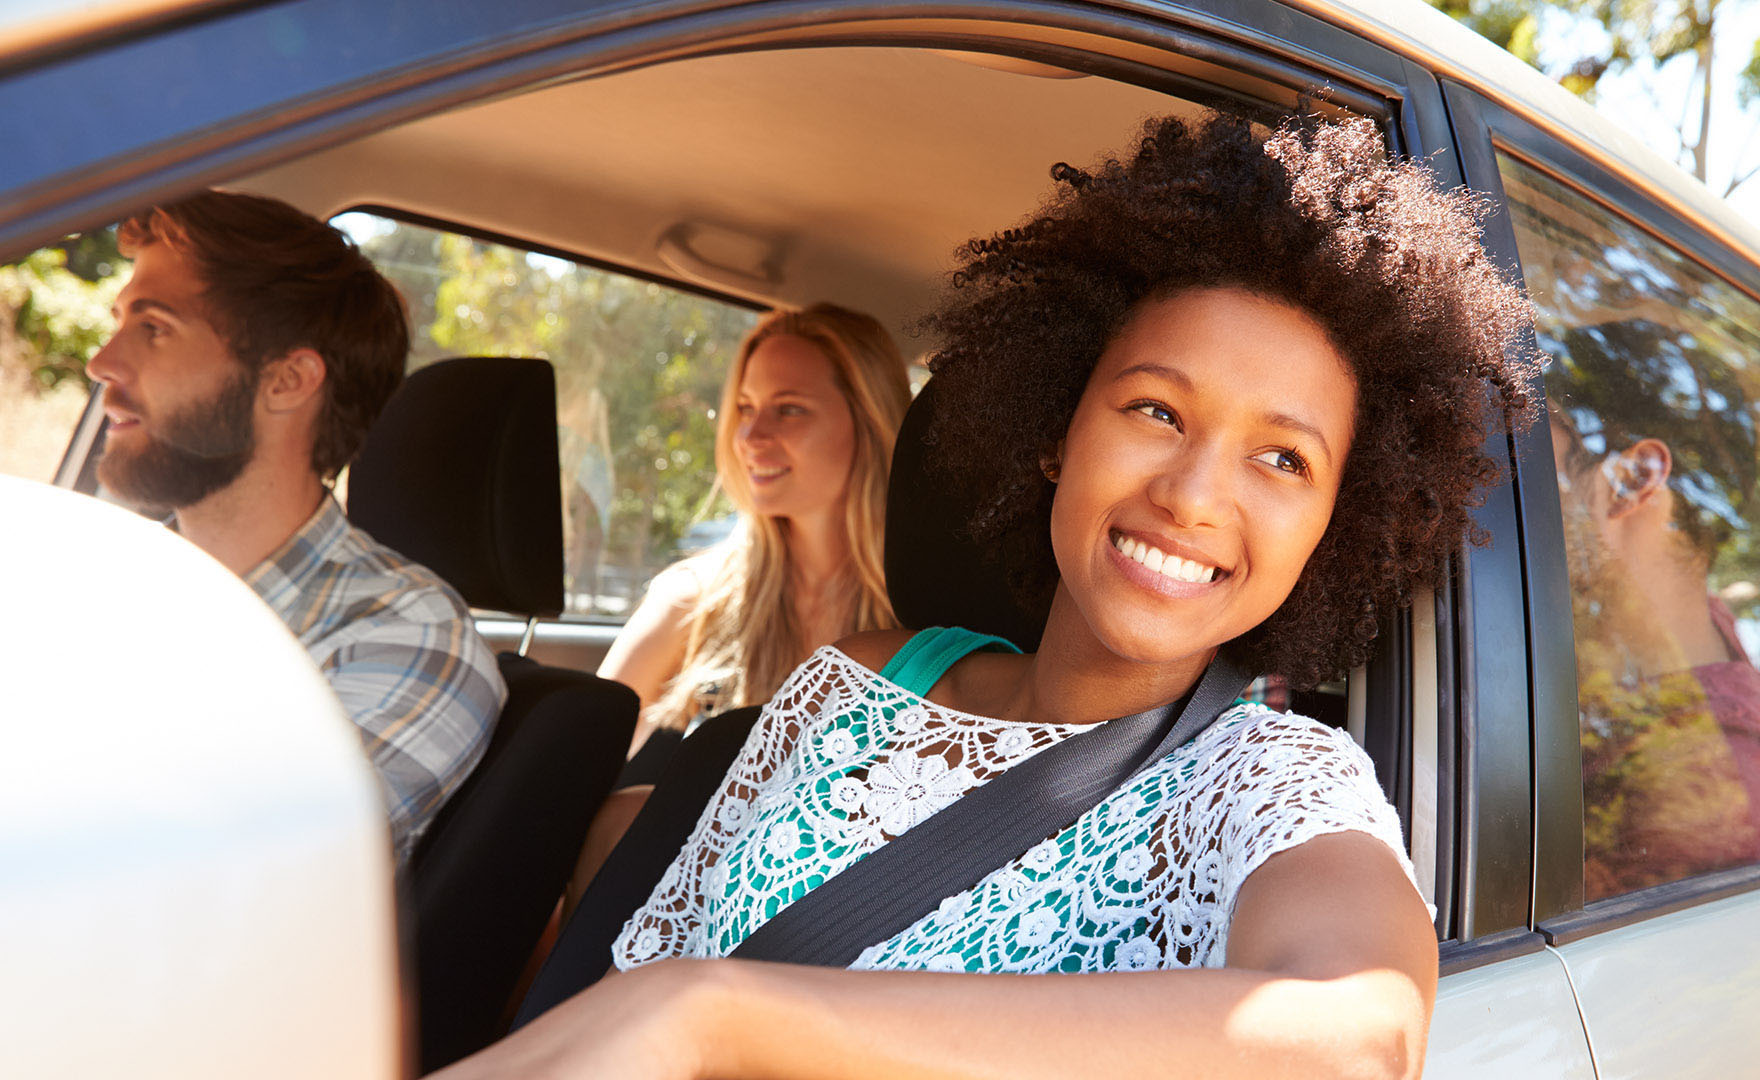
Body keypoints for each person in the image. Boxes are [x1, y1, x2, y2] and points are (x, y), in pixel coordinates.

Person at [436, 112, 1538, 1079]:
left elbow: (1354, 1040)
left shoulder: (1270, 782)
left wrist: (713, 1017)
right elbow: (636, 964)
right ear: (1058, 433)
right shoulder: (858, 681)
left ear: (1332, 527)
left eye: (1282, 460)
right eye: (1155, 411)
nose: (1194, 496)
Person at [86, 190, 504, 866]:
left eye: (153, 327)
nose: (101, 361)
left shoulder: (405, 637)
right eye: (119, 321)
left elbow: (214, 874)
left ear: (286, 381)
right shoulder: (105, 585)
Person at [1544, 319, 1760, 900]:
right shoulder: (1699, 639)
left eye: (1542, 465)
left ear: (1633, 478)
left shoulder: (1715, 785)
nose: (1511, 490)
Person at [597, 303, 912, 747]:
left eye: (789, 410)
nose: (749, 436)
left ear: (870, 422)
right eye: (746, 408)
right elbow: (572, 770)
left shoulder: (928, 616)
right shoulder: (692, 602)